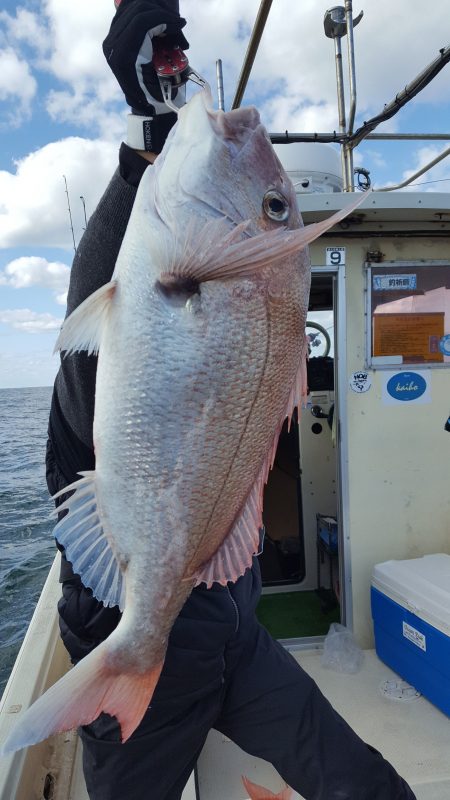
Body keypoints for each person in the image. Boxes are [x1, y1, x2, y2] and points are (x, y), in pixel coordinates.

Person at [46, 2, 417, 798]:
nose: (252, 136)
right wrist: (147, 133)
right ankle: (130, 665)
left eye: (275, 213)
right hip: (135, 638)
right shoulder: (133, 295)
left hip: (231, 635)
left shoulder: (188, 283)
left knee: (367, 784)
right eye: (275, 213)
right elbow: (101, 314)